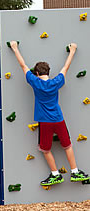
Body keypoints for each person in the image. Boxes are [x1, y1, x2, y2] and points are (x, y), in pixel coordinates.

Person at [10, 41, 90, 186]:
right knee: (67, 145)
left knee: (45, 149)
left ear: (38, 73)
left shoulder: (35, 82)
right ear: (48, 72)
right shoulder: (56, 82)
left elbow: (23, 66)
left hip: (44, 121)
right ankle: (75, 171)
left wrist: (15, 48)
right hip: (58, 119)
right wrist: (72, 50)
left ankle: (55, 174)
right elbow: (65, 68)